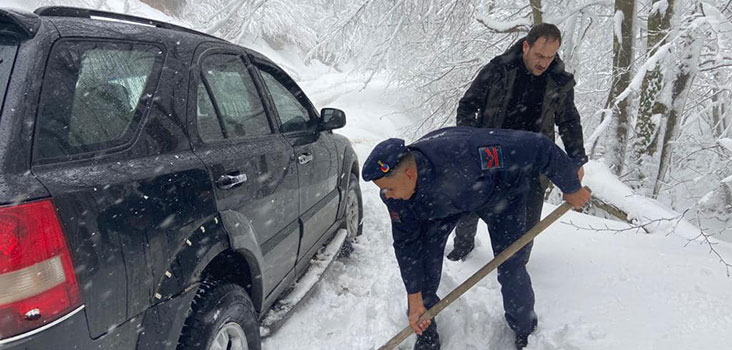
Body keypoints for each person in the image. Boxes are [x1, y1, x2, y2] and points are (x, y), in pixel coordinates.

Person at [363, 126, 591, 350]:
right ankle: (427, 336)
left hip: (501, 195)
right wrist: (414, 296)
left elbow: (538, 146)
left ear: (409, 174)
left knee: (511, 264)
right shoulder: (396, 197)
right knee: (422, 267)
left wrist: (570, 185)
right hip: (439, 208)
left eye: (389, 188)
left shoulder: (468, 154)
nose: (386, 195)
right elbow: (406, 244)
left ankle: (524, 330)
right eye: (383, 190)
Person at [448, 23, 588, 262]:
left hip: (532, 164)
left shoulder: (558, 82)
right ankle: (463, 248)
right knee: (469, 207)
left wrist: (576, 159)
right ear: (526, 46)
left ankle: (516, 264)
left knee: (527, 223)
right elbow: (468, 105)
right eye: (539, 55)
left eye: (550, 57)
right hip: (490, 154)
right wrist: (469, 141)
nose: (543, 63)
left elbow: (569, 122)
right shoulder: (498, 71)